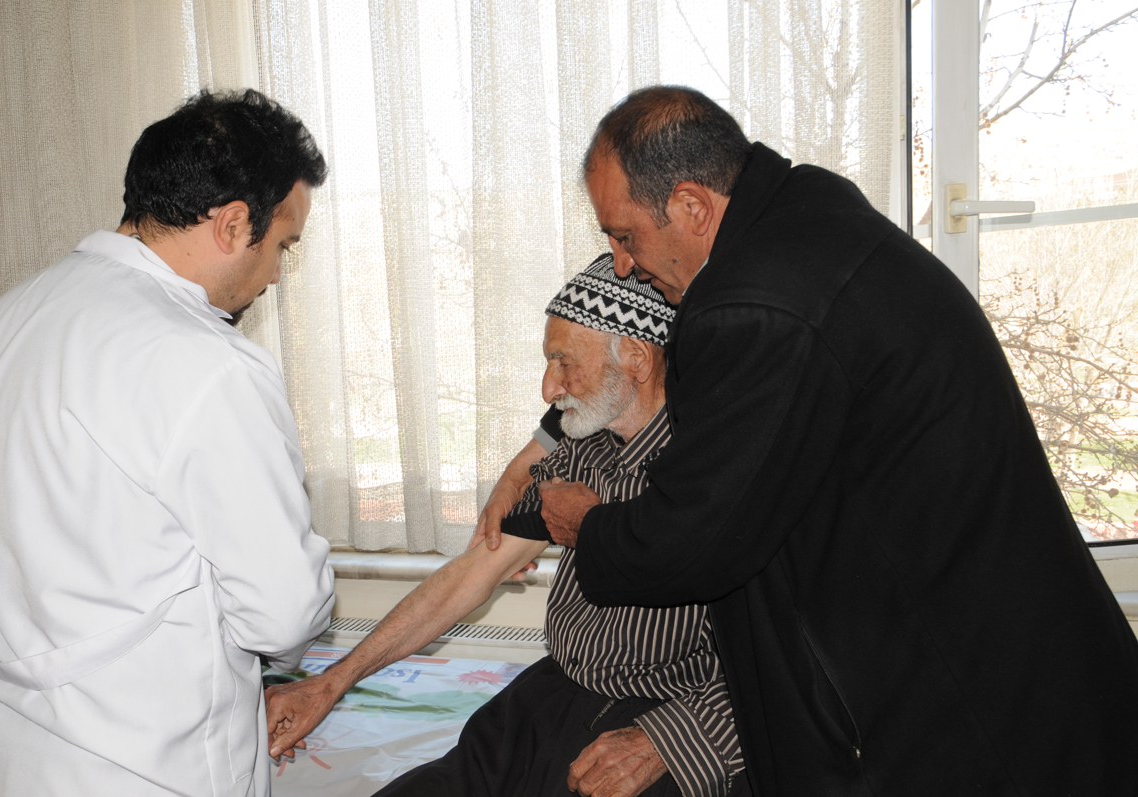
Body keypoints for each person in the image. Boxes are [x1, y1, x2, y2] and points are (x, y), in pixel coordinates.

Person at [483, 86, 1138, 795]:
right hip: (1016, 649)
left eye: (626, 236)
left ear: (692, 207)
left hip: (975, 692)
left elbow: (695, 541)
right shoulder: (810, 224)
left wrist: (591, 527)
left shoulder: (757, 306)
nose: (620, 263)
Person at [0, 89, 336, 796]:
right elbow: (284, 615)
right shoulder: (208, 364)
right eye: (283, 246)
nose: (277, 274)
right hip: (142, 766)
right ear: (233, 223)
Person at [265, 254, 748, 797]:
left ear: (636, 357)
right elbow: (476, 573)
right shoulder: (583, 451)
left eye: (564, 362)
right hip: (554, 696)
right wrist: (329, 684)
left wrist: (664, 742)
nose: (549, 388)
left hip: (659, 719)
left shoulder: (719, 472)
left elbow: (786, 659)